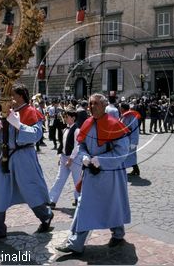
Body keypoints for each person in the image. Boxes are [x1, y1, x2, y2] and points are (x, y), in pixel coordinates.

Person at [55, 93, 130, 255]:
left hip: (110, 174)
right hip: (91, 173)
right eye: (90, 103)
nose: (91, 106)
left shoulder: (114, 124)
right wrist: (85, 158)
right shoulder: (87, 123)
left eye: (95, 103)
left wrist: (101, 160)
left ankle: (118, 233)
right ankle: (75, 243)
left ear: (104, 106)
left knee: (112, 204)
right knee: (84, 205)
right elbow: (81, 146)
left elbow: (122, 151)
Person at [0, 84, 53, 243]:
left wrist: (19, 125)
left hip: (24, 156)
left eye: (11, 95)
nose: (8, 99)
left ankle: (46, 216)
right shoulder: (9, 112)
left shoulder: (31, 112)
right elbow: (0, 138)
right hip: (7, 156)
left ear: (20, 96)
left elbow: (36, 136)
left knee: (31, 191)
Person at [48, 108, 82, 208]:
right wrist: (60, 156)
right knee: (59, 179)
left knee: (77, 180)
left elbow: (77, 146)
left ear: (73, 118)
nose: (65, 118)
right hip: (64, 157)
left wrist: (71, 159)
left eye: (67, 117)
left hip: (74, 159)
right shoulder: (66, 129)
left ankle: (78, 199)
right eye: (65, 116)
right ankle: (52, 200)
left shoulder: (77, 130)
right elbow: (62, 144)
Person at [119, 102, 140, 176]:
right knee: (129, 155)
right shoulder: (124, 115)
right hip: (125, 139)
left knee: (130, 155)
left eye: (120, 107)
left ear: (123, 108)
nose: (119, 109)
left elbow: (135, 130)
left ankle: (135, 169)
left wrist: (134, 141)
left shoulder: (132, 116)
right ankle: (135, 170)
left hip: (130, 139)